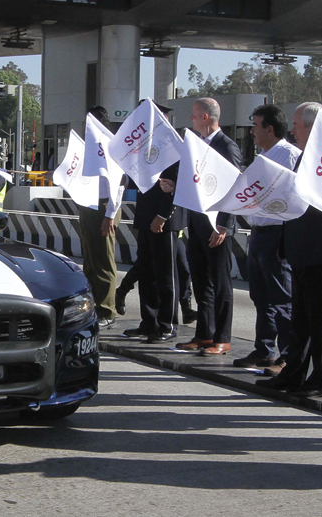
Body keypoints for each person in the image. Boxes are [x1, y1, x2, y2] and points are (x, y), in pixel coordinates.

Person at [256, 102, 322, 398]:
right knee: (301, 319)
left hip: (321, 247)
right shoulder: (305, 157)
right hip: (299, 245)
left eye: (297, 124)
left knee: (320, 318)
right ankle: (294, 374)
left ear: (312, 126)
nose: (293, 129)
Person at [161, 98, 243, 356]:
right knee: (201, 281)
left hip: (216, 226)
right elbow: (194, 180)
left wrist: (224, 226)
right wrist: (174, 185)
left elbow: (234, 186)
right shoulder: (195, 146)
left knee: (221, 283)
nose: (191, 120)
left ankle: (223, 337)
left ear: (206, 117)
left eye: (194, 116)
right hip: (196, 222)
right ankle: (204, 333)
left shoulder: (226, 146)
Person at [233, 104, 301, 374]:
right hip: (259, 232)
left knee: (281, 297)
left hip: (278, 233)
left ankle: (287, 355)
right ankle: (264, 349)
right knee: (260, 296)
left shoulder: (289, 155)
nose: (252, 132)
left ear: (269, 129)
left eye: (256, 126)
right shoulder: (262, 157)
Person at [122, 103, 186, 344]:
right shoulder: (143, 144)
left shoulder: (173, 144)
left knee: (165, 275)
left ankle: (167, 324)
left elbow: (178, 184)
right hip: (146, 215)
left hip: (165, 219)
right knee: (147, 272)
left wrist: (163, 215)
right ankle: (149, 322)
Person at [77, 107, 123, 329]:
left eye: (88, 123)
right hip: (88, 204)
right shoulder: (89, 148)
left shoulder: (111, 146)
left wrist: (110, 216)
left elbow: (118, 187)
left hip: (105, 206)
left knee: (104, 261)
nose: (85, 128)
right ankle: (93, 306)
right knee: (90, 259)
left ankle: (107, 310)